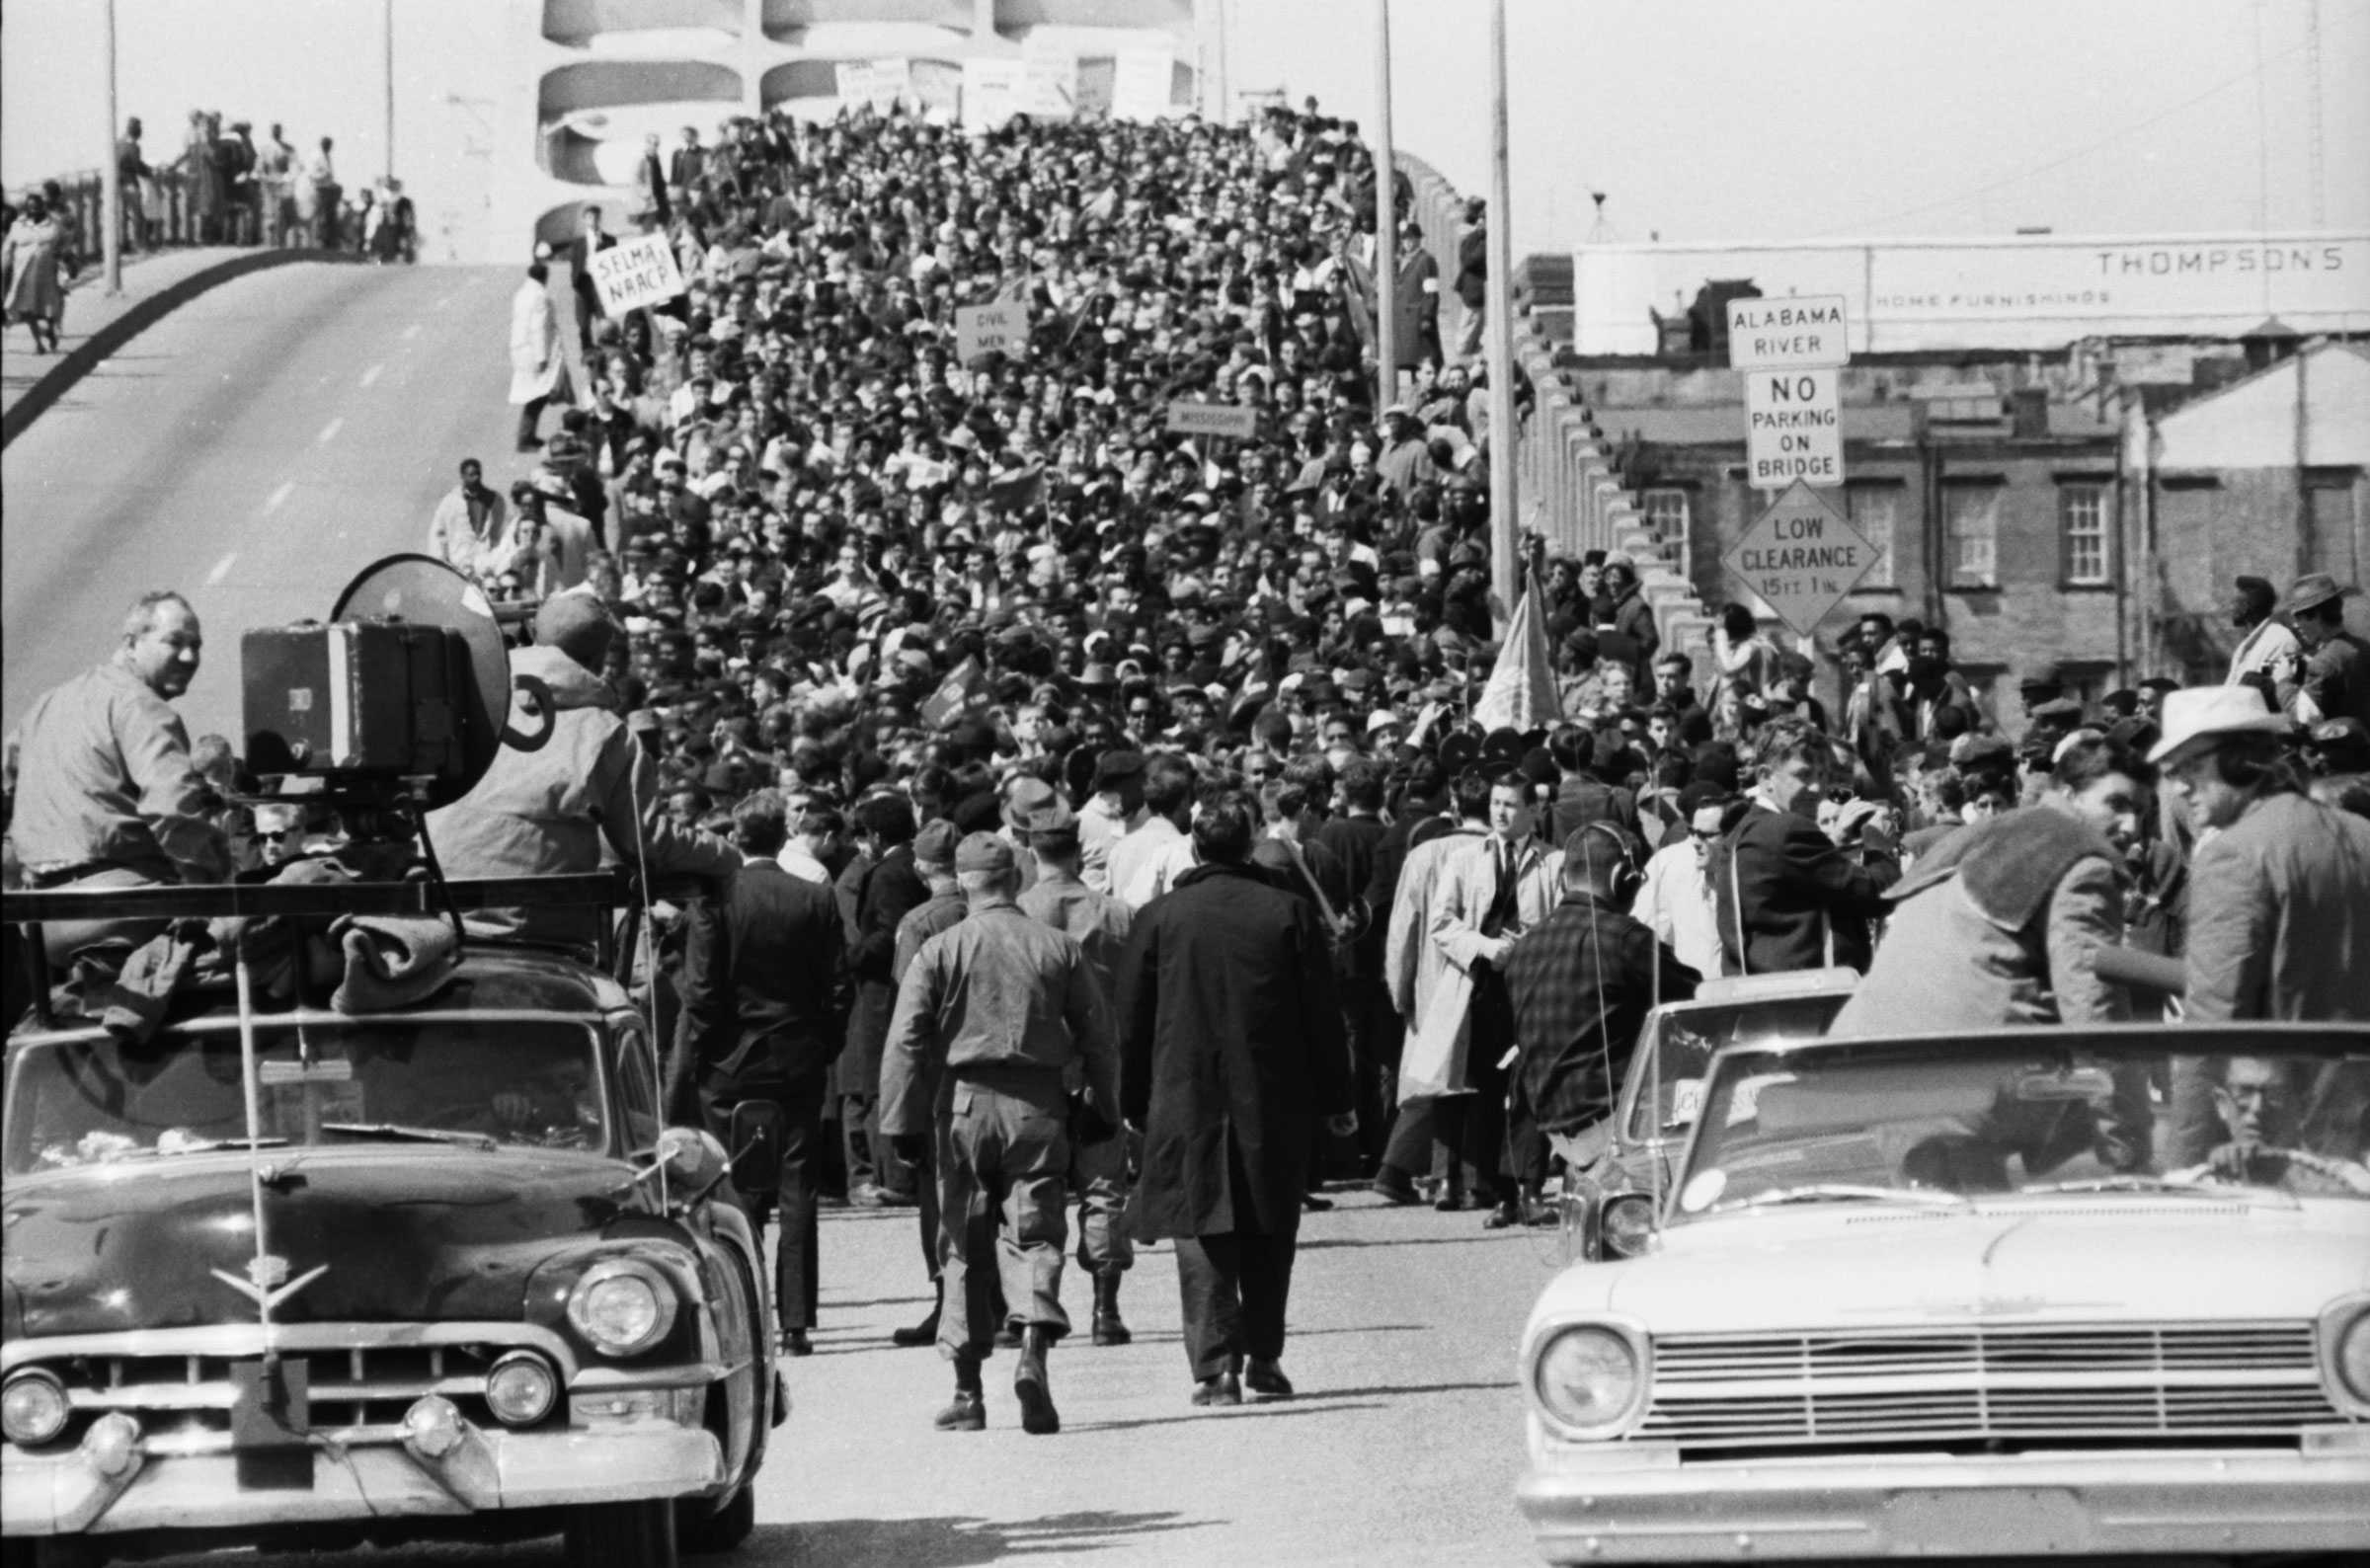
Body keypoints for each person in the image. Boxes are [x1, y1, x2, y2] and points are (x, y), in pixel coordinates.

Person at [1116, 791, 1355, 1407]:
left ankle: (1217, 1366)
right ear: (1248, 844)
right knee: (1271, 1226)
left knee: (1201, 1229)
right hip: (1271, 1096)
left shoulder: (1161, 917)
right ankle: (1265, 1358)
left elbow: (1131, 1023)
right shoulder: (1288, 912)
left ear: (1194, 847)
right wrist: (1337, 1096)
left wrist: (1129, 1099)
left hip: (1184, 1094)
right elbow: (1323, 1018)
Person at [879, 832, 1120, 1435]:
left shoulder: (939, 949)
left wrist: (899, 1123)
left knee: (962, 1242)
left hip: (962, 1106)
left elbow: (906, 1038)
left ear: (962, 882)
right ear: (1015, 881)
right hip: (1038, 1106)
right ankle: (1033, 1348)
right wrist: (1103, 1106)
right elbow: (1098, 1035)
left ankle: (967, 1391)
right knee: (1036, 1234)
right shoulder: (1058, 947)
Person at [426, 593, 740, 948]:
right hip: (537, 937)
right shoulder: (606, 732)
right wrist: (727, 855)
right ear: (600, 657)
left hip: (436, 922)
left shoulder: (468, 707)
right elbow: (648, 841)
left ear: (532, 634)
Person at [2151, 686, 2370, 1165]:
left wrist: (2182, 1164)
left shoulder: (2232, 856)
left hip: (2282, 1140)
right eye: (2171, 774)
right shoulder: (2361, 834)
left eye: (2191, 768)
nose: (2179, 787)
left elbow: (2210, 1028)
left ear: (2240, 761)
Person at [672, 789, 849, 1356]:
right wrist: (823, 1046)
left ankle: (746, 1313)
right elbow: (837, 987)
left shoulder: (718, 899)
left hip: (731, 1062)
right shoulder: (815, 898)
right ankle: (795, 1322)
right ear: (782, 837)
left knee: (736, 1189)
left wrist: (699, 1054)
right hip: (796, 1056)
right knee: (799, 1188)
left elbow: (701, 991)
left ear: (734, 840)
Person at [1831, 736, 2151, 1036]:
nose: (2132, 827)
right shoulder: (2083, 864)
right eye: (2116, 804)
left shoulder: (1989, 833)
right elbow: (2096, 1015)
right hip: (1964, 1072)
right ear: (2069, 795)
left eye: (2140, 812)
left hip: (1858, 1055)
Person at [5, 590, 229, 962]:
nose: (190, 657)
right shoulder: (142, 706)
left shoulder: (47, 705)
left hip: (41, 925)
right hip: (125, 908)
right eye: (175, 642)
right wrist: (212, 887)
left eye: (196, 646)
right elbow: (173, 810)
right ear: (130, 643)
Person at [1502, 825, 1698, 1175]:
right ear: (1621, 878)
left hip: (1557, 1129)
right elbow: (1697, 999)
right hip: (1618, 1119)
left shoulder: (1526, 946)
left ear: (1564, 878)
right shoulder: (1625, 939)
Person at [1016, 800, 1137, 1346]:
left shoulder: (1017, 913)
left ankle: (1039, 1307)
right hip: (1100, 1065)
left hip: (1038, 1070)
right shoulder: (1114, 913)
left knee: (1035, 1190)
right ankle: (1105, 1311)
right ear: (1079, 849)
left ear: (1029, 848)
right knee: (1104, 1187)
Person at [1420, 770, 1563, 1225]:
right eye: (1497, 804)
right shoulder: (1465, 860)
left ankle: (1532, 1188)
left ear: (1533, 811)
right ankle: (1500, 1193)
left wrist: (1528, 945)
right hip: (1482, 990)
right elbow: (1442, 923)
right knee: (1487, 1091)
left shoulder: (1553, 863)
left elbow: (1565, 921)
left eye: (1511, 805)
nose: (1501, 813)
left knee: (1533, 1089)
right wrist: (1484, 947)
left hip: (1534, 989)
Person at [1708, 720, 1898, 976]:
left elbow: (1794, 880)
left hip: (1761, 996)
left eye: (1822, 775)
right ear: (1766, 777)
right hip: (1808, 1001)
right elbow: (1879, 895)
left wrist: (1836, 843)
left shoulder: (1743, 831)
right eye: (1803, 775)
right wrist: (1879, 845)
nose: (1818, 787)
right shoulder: (1788, 829)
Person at [841, 793, 929, 1209]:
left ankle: (888, 1175)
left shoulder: (888, 874)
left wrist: (847, 959)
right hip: (899, 984)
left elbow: (887, 933)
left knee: (874, 1080)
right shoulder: (910, 864)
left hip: (881, 989)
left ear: (875, 835)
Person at [2276, 572, 2370, 729]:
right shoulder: (2363, 646)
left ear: (2317, 616)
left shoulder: (2324, 662)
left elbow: (2305, 718)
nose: (2296, 625)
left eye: (2299, 617)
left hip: (2335, 751)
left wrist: (2282, 681)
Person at [2, 193, 74, 355]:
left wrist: (63, 254)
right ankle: (38, 343)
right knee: (27, 310)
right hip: (23, 274)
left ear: (42, 207)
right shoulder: (18, 225)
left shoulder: (54, 224)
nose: (33, 210)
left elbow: (66, 240)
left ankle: (49, 330)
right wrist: (4, 267)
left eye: (36, 207)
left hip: (47, 274)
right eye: (30, 208)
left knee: (48, 310)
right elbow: (7, 249)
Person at [427, 457, 517, 584]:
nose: (476, 478)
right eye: (471, 475)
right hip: (457, 567)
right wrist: (440, 565)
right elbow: (438, 535)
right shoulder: (450, 502)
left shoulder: (495, 500)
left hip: (486, 568)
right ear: (462, 476)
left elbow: (500, 534)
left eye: (478, 474)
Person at [509, 260, 565, 453]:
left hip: (520, 350)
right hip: (533, 352)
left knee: (533, 395)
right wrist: (542, 357)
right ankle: (525, 439)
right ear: (544, 276)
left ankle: (527, 436)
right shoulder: (539, 295)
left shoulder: (522, 293)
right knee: (537, 396)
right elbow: (538, 328)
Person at [2225, 575, 2300, 695]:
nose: (2229, 608)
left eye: (2233, 603)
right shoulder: (2244, 646)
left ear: (2246, 607)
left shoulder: (2281, 640)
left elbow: (2271, 690)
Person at [567, 205, 615, 353]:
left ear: (600, 219)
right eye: (589, 217)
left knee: (602, 315)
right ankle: (587, 349)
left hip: (600, 282)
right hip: (583, 281)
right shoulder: (578, 242)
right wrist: (575, 282)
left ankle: (606, 346)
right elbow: (574, 262)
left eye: (596, 217)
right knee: (583, 319)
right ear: (584, 220)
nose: (593, 220)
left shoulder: (608, 240)